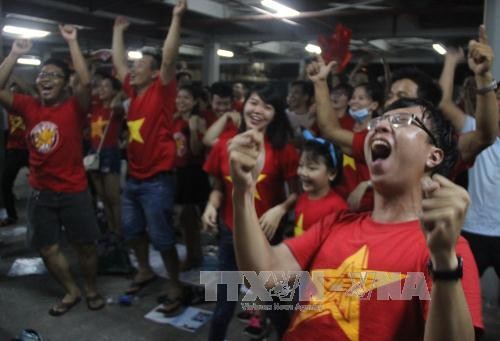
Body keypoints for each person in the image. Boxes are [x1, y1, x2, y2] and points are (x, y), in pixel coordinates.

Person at [228, 93, 483, 339]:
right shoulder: (337, 223)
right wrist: (243, 191)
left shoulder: (449, 250)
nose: (380, 126)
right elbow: (264, 273)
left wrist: (444, 263)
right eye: (378, 122)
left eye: (401, 121)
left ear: (433, 155)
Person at [0, 26, 105, 315]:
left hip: (74, 191)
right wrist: (14, 53)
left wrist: (72, 41)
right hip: (40, 193)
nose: (45, 79)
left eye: (53, 76)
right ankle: (71, 291)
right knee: (47, 248)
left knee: (84, 246)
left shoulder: (74, 107)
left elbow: (85, 81)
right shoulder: (28, 106)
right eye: (42, 75)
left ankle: (92, 289)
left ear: (64, 84)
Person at [202, 85, 299, 341]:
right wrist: (211, 205)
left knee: (276, 303)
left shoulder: (284, 150)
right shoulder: (224, 144)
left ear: (275, 115)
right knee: (224, 303)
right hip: (230, 235)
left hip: (267, 238)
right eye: (255, 103)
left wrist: (281, 208)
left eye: (268, 107)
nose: (258, 111)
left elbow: (299, 192)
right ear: (244, 104)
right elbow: (218, 188)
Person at [112, 0, 187, 315]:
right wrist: (117, 32)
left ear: (154, 73)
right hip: (134, 179)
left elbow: (168, 58)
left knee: (163, 238)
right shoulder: (133, 92)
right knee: (132, 230)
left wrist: (176, 18)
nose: (133, 69)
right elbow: (118, 66)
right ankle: (143, 269)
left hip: (158, 180)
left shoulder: (162, 89)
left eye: (139, 65)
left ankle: (174, 283)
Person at [438, 26, 500, 292]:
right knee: (461, 299)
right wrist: (451, 62)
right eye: (497, 97)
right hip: (473, 229)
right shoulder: (474, 128)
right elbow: (442, 103)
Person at [172, 84, 209, 270]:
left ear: (194, 101)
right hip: (178, 172)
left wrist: (193, 130)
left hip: (193, 172)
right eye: (178, 97)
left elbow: (196, 150)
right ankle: (194, 254)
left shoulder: (198, 120)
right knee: (186, 220)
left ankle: (192, 256)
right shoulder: (175, 119)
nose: (181, 101)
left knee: (188, 218)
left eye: (186, 98)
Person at [87, 74, 124, 236]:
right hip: (94, 153)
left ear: (114, 91)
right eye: (100, 86)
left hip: (110, 152)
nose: (101, 89)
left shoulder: (116, 109)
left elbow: (125, 93)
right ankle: (110, 230)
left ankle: (120, 232)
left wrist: (118, 96)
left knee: (113, 197)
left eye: (106, 86)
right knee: (102, 196)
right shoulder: (94, 105)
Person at [294, 130, 347, 237]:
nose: (303, 172)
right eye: (300, 165)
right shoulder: (302, 197)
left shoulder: (337, 208)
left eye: (311, 168)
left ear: (332, 173)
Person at [0, 83, 29, 227]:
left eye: (16, 93)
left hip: (29, 150)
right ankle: (11, 215)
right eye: (11, 93)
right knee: (5, 184)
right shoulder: (6, 110)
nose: (12, 96)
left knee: (44, 182)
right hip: (14, 150)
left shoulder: (28, 108)